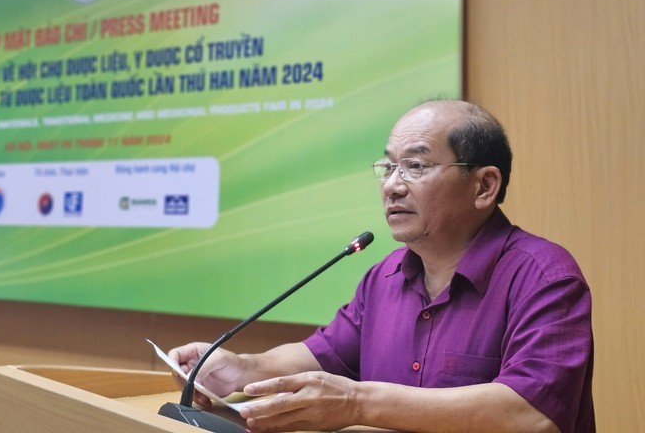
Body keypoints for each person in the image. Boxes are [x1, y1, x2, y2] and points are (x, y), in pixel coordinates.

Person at [168, 99, 594, 433]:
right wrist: (243, 367)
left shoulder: (545, 277)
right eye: (389, 166)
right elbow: (323, 356)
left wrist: (357, 403)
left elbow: (532, 415)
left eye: (416, 166)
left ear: (484, 186)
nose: (392, 185)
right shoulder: (385, 276)